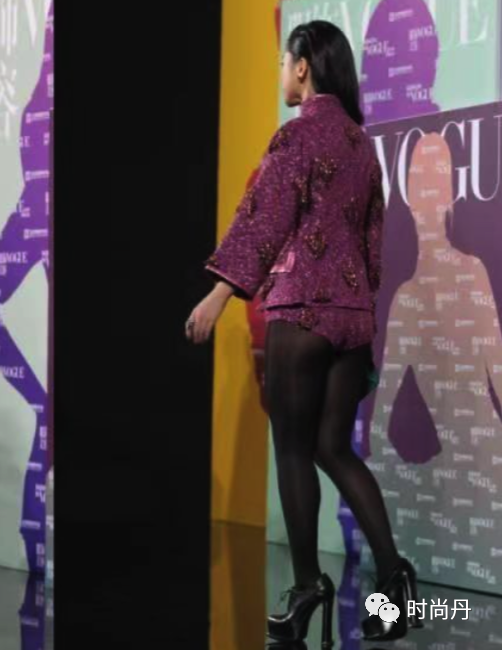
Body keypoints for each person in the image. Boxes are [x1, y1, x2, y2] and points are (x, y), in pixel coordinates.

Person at [186, 21, 421, 645]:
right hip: (351, 315)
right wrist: (361, 310)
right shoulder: (361, 144)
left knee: (293, 450)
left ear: (302, 66)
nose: (280, 73)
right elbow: (374, 242)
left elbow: (264, 220)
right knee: (333, 448)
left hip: (302, 309)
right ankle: (395, 581)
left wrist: (220, 292)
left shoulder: (296, 135)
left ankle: (307, 587)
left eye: (282, 62)